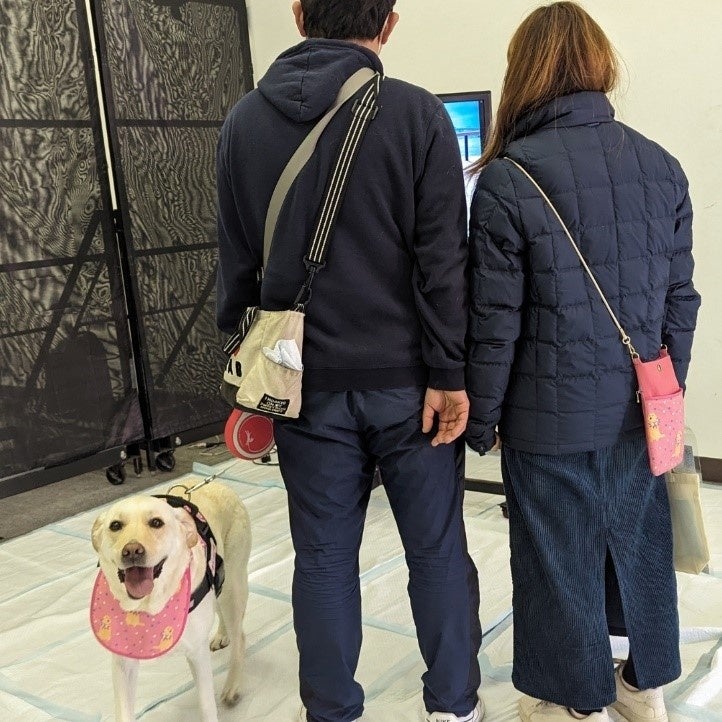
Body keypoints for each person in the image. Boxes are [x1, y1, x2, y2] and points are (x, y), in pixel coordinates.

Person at [215, 2, 483, 721]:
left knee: (323, 558)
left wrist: (246, 366)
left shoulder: (243, 122)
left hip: (299, 382)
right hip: (410, 385)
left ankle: (330, 710)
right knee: (436, 550)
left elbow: (236, 264)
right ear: (388, 24)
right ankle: (453, 705)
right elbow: (443, 263)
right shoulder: (417, 114)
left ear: (299, 14)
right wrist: (450, 373)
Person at [466, 3, 701, 722]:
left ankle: (580, 701)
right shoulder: (662, 166)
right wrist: (666, 393)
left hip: (545, 421)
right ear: (600, 66)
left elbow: (495, 324)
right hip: (641, 412)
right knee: (638, 547)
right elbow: (681, 300)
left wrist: (483, 419)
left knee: (557, 562)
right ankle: (643, 685)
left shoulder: (508, 179)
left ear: (525, 73)